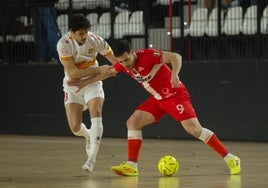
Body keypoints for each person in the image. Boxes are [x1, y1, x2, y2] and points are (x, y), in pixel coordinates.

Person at [68, 39, 241, 176]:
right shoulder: (122, 64)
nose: (125, 64)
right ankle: (131, 166)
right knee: (133, 122)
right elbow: (106, 73)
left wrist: (175, 75)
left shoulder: (149, 56)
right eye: (121, 61)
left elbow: (176, 57)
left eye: (127, 59)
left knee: (194, 130)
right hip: (158, 99)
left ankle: (231, 158)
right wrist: (82, 83)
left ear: (132, 53)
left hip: (175, 95)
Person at [56, 14, 116, 173]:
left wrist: (112, 70)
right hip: (72, 84)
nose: (84, 36)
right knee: (75, 128)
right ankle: (88, 135)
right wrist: (99, 69)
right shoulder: (63, 44)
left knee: (96, 112)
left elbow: (115, 63)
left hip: (93, 81)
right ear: (71, 32)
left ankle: (91, 159)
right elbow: (74, 73)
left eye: (86, 32)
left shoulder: (95, 40)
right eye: (81, 33)